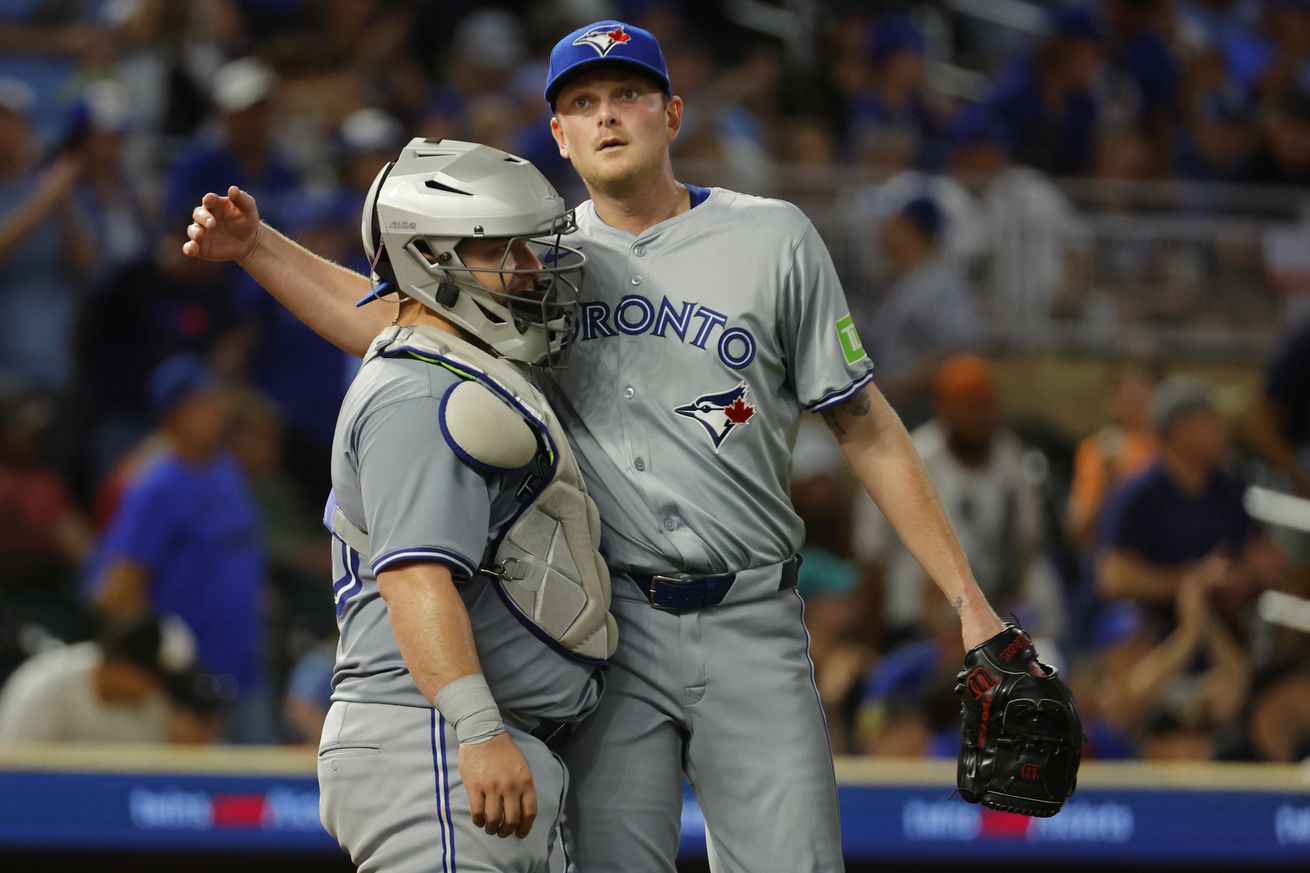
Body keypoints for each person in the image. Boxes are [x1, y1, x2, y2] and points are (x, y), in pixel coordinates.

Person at [183, 21, 1014, 873]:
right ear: (559, 135)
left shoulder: (775, 238)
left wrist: (966, 598)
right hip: (609, 636)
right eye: (583, 103)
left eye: (628, 96)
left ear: (673, 113)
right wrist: (258, 248)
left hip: (753, 615)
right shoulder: (536, 259)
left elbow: (866, 424)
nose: (607, 116)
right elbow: (404, 321)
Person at [195, 139, 615, 871]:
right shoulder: (422, 394)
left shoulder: (452, 363)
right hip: (442, 742)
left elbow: (388, 313)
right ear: (433, 259)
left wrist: (258, 247)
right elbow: (415, 577)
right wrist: (479, 730)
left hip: (466, 743)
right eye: (502, 249)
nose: (529, 266)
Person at [85, 354, 270, 742]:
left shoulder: (226, 469)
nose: (218, 411)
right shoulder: (155, 485)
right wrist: (166, 671)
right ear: (173, 413)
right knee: (192, 800)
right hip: (191, 687)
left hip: (246, 670)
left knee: (256, 794)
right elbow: (117, 591)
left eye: (218, 400)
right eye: (204, 403)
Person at [0, 614, 194, 744]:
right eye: (154, 680)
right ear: (123, 667)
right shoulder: (46, 686)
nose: (156, 690)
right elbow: (12, 774)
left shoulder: (155, 705)